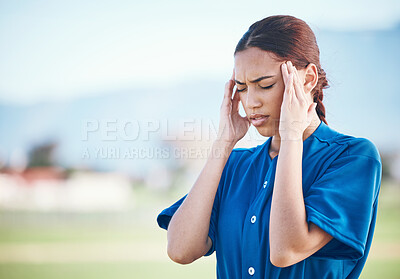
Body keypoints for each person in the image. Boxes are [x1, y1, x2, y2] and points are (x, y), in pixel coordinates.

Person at [156, 15, 382, 278]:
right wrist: (224, 142)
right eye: (241, 88)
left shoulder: (352, 158)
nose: (250, 102)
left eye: (265, 85)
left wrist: (291, 136)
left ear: (308, 79)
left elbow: (286, 250)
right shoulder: (234, 166)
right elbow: (181, 250)